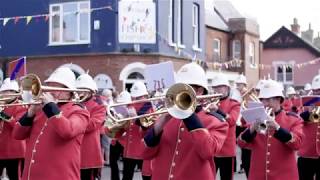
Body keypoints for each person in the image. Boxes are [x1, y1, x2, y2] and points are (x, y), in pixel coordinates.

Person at [142, 62, 229, 180]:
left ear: (199, 91)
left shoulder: (216, 121)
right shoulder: (165, 117)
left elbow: (207, 152)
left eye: (186, 88)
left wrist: (187, 111)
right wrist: (161, 123)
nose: (179, 93)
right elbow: (145, 153)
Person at [12, 67, 90, 180]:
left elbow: (67, 131)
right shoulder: (41, 110)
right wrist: (31, 112)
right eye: (49, 86)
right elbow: (17, 135)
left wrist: (50, 106)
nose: (50, 91)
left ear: (69, 92)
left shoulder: (79, 111)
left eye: (56, 87)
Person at [238, 79, 303, 180]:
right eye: (262, 100)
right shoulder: (256, 117)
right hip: (258, 175)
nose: (264, 103)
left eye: (268, 100)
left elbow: (297, 144)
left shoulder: (292, 119)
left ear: (278, 99)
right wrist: (252, 129)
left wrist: (277, 128)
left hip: (284, 176)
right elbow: (240, 143)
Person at [208, 74, 240, 180]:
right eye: (215, 87)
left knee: (226, 178)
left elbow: (232, 120)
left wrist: (217, 110)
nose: (217, 90)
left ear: (227, 88)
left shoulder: (234, 104)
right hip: (212, 147)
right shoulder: (209, 102)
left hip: (226, 148)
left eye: (220, 87)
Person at [120, 81, 153, 180]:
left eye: (138, 97)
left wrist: (136, 118)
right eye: (134, 97)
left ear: (145, 96)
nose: (135, 100)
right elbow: (125, 127)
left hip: (143, 149)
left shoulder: (149, 107)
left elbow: (149, 127)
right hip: (129, 149)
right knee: (126, 177)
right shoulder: (129, 105)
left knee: (146, 176)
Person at [76, 74, 106, 180]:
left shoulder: (99, 106)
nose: (80, 92)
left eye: (84, 90)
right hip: (71, 152)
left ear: (91, 91)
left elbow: (91, 126)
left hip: (88, 153)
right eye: (78, 89)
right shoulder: (72, 103)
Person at [0, 78, 26, 180]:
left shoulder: (20, 106)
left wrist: (2, 114)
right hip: (1, 149)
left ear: (16, 93)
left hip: (14, 151)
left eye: (10, 91)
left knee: (15, 177)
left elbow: (18, 125)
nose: (6, 94)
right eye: (4, 91)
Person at [298, 74, 320, 180]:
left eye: (319, 90)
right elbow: (299, 120)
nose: (317, 92)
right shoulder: (306, 103)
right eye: (315, 90)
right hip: (307, 153)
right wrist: (309, 112)